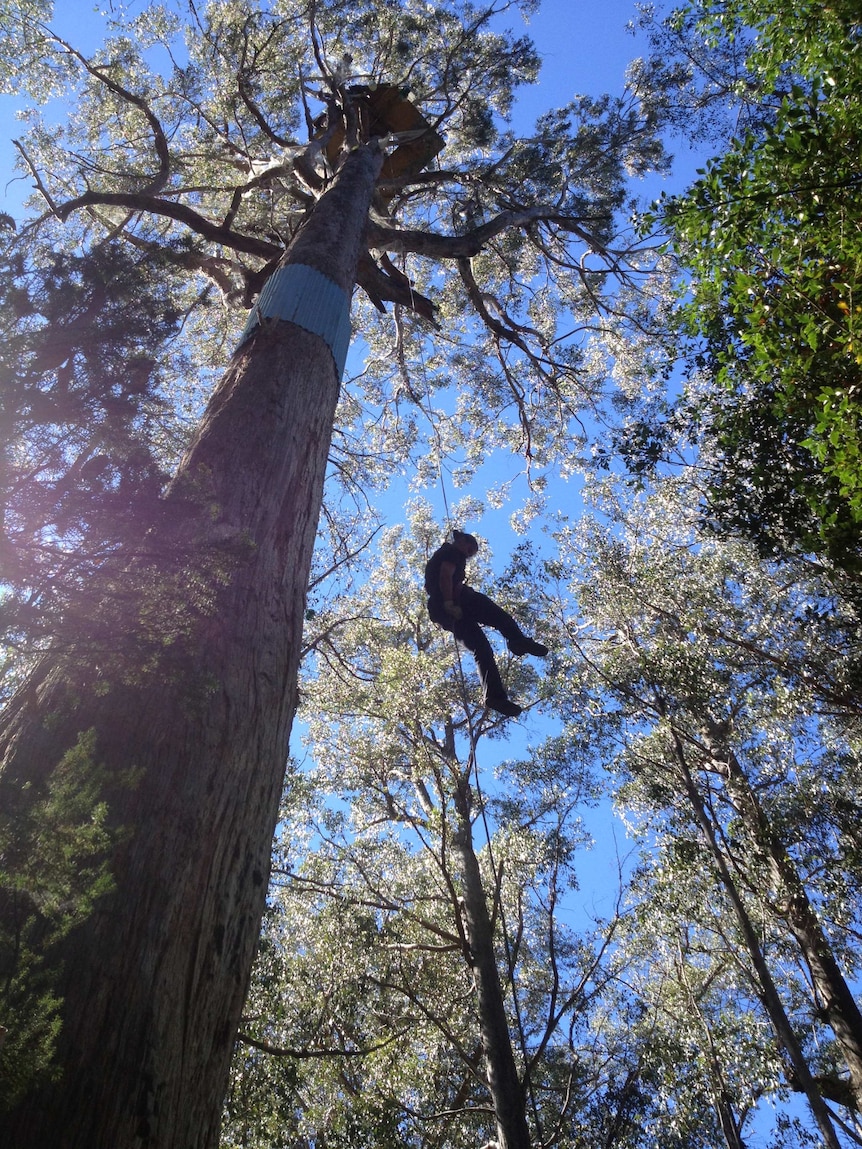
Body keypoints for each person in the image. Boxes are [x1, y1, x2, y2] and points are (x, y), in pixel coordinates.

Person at [424, 529, 548, 717]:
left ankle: (495, 696)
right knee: (499, 617)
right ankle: (517, 640)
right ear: (461, 542)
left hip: (442, 610)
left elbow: (444, 578)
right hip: (455, 602)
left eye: (472, 552)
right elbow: (445, 576)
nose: (469, 553)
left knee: (482, 649)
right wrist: (449, 602)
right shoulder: (452, 552)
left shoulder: (447, 553)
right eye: (470, 548)